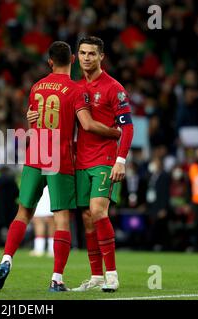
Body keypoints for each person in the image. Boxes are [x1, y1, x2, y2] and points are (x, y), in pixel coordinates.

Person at [0, 41, 120, 292]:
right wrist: (116, 133)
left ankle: (6, 258)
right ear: (72, 59)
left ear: (50, 61)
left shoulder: (36, 86)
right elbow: (88, 125)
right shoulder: (74, 89)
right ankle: (56, 279)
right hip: (59, 157)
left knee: (23, 213)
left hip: (34, 155)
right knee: (61, 220)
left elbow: (34, 122)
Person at [28, 36, 134, 292]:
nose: (87, 58)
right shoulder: (74, 87)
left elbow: (127, 127)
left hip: (105, 159)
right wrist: (33, 116)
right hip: (79, 160)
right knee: (87, 218)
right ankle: (96, 276)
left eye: (92, 54)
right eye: (83, 53)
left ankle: (112, 275)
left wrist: (121, 160)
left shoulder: (113, 88)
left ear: (101, 57)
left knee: (98, 210)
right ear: (77, 56)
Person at [29, 186, 54, 258]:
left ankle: (52, 249)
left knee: (50, 220)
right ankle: (39, 248)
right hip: (39, 191)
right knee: (38, 220)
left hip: (50, 191)